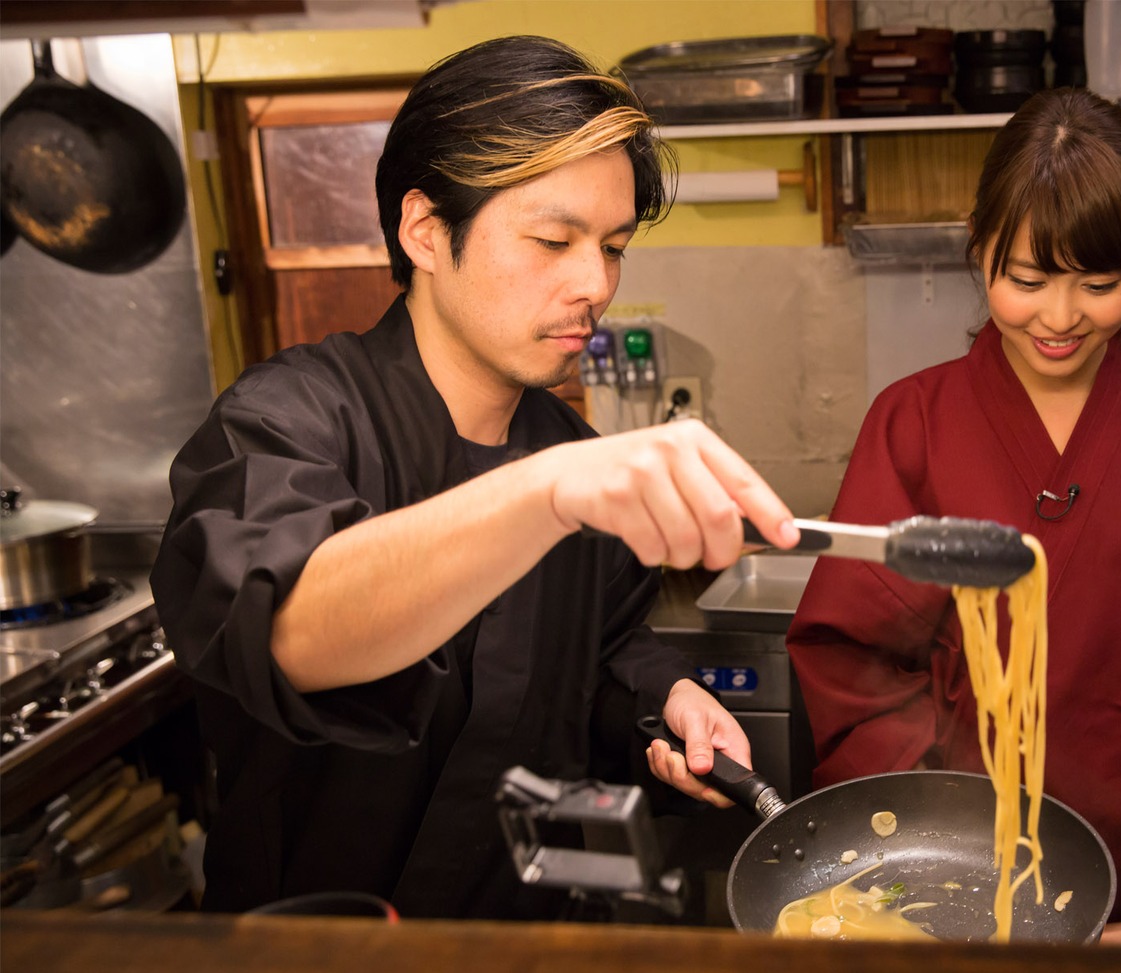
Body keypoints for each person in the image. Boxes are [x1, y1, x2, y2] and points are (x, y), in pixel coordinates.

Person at [151, 35, 800, 919]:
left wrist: (667, 696)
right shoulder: (287, 420)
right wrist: (544, 494)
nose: (595, 284)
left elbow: (596, 653)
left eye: (612, 246)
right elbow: (296, 627)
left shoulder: (561, 442)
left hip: (522, 932)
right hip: (314, 940)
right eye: (552, 239)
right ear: (425, 230)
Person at [785, 88, 1121, 944]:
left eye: (1101, 285)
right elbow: (858, 668)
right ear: (979, 249)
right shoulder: (912, 424)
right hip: (945, 902)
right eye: (1026, 280)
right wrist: (938, 896)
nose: (1060, 320)